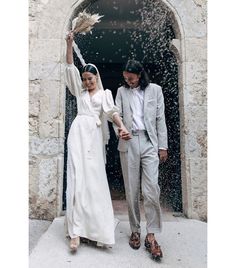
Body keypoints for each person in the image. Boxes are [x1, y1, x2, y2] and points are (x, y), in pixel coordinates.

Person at [64, 31, 130, 252]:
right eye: (84, 79)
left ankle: (95, 229)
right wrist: (69, 44)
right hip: (77, 136)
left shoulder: (104, 94)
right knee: (77, 179)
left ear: (97, 78)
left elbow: (112, 113)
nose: (87, 82)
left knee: (94, 181)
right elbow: (70, 68)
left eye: (90, 79)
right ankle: (75, 232)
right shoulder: (80, 93)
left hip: (93, 138)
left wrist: (121, 127)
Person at [115, 59, 168, 261]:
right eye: (125, 78)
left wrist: (163, 146)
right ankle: (135, 230)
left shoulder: (155, 90)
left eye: (131, 78)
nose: (128, 81)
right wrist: (120, 130)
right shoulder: (121, 92)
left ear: (139, 75)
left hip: (149, 141)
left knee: (151, 189)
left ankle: (152, 235)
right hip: (128, 141)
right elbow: (115, 115)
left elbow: (160, 118)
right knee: (132, 189)